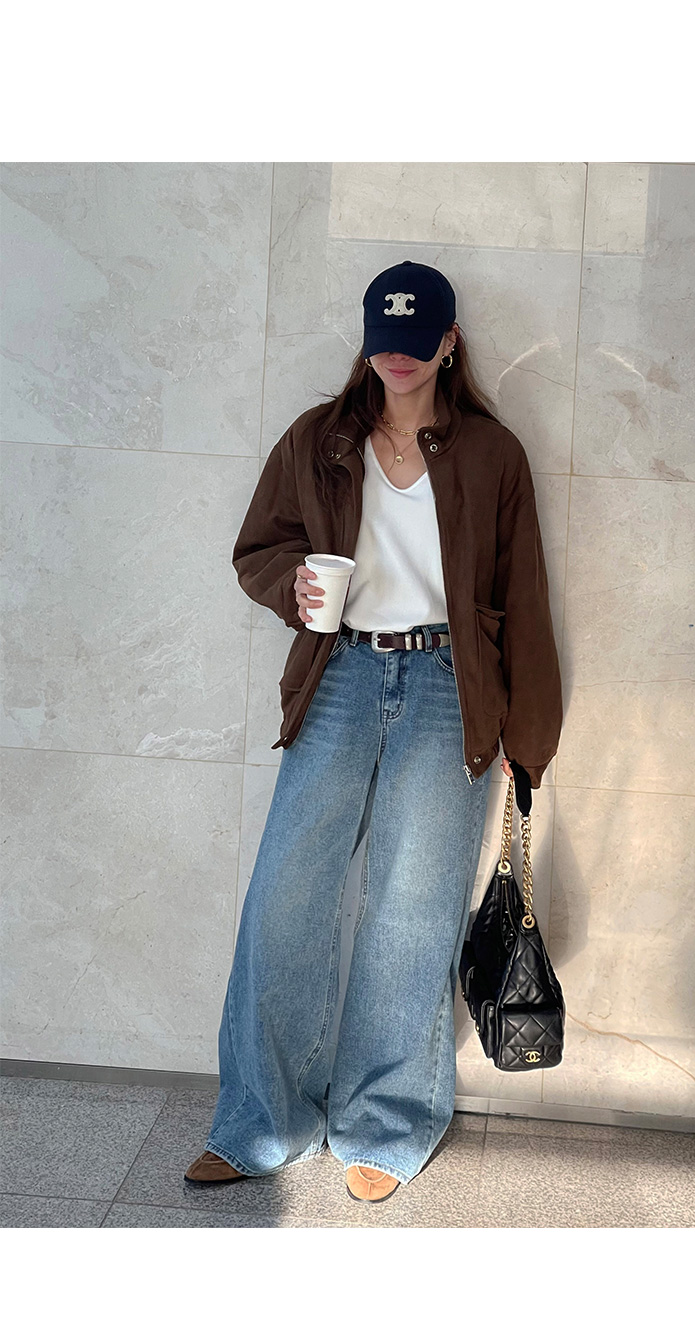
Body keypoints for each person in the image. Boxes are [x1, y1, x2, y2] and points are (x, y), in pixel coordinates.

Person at [184, 260, 563, 1203]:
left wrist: (530, 735)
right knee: (286, 897)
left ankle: (384, 1122)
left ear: (448, 343)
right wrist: (294, 586)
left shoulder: (492, 453)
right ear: (367, 341)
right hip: (341, 676)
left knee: (411, 909)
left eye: (417, 339)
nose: (399, 356)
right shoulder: (320, 439)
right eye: (384, 339)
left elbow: (522, 597)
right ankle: (262, 1120)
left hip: (447, 686)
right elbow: (259, 548)